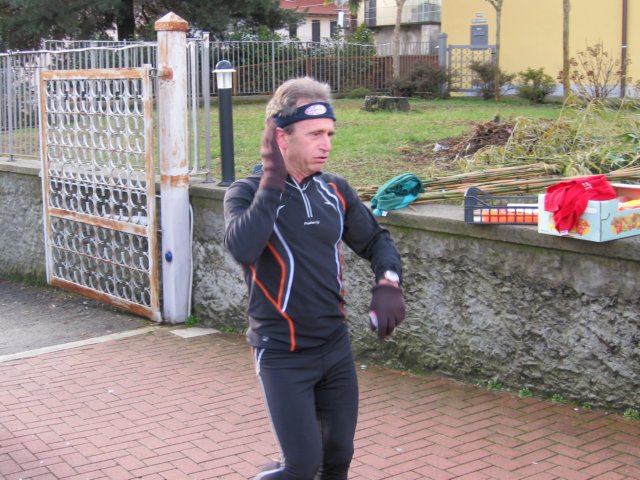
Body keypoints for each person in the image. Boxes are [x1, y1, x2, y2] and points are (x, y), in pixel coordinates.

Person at [223, 76, 406, 480]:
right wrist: (272, 180)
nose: (326, 144)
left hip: (334, 348)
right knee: (301, 468)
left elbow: (376, 240)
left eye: (329, 133)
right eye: (315, 134)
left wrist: (389, 281)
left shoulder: (334, 190)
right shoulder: (245, 192)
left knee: (337, 457)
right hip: (281, 353)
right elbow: (242, 248)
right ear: (280, 138)